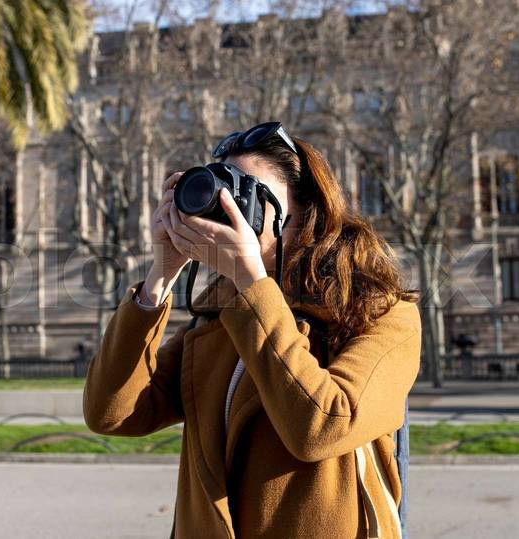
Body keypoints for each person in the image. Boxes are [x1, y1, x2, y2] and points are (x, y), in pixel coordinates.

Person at [83, 121, 421, 539]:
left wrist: (249, 281)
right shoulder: (219, 317)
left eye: (246, 194)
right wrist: (159, 277)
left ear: (303, 214)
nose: (228, 209)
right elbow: (111, 414)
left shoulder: (379, 313)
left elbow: (320, 428)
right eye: (219, 193)